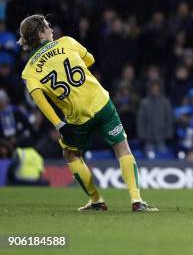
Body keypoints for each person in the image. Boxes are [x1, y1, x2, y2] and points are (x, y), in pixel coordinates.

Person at [18, 14, 157, 212]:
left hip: (77, 117)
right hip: (101, 103)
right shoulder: (66, 42)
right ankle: (136, 200)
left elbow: (41, 102)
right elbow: (90, 60)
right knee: (122, 148)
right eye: (47, 27)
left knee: (71, 153)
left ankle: (97, 200)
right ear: (40, 33)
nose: (51, 30)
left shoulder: (29, 71)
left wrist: (59, 124)